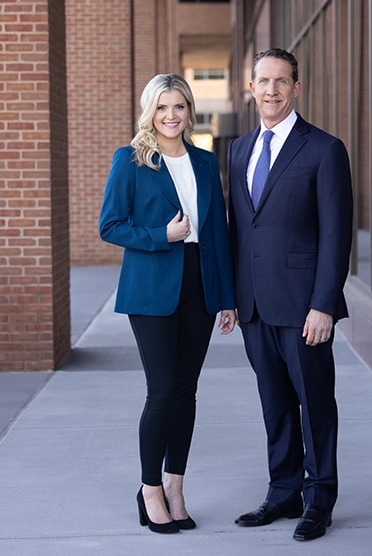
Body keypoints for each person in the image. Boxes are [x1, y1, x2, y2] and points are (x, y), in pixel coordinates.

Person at [99, 73, 236, 535]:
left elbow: (217, 232)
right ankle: (149, 488)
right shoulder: (131, 160)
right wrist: (162, 236)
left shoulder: (204, 161)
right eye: (162, 107)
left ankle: (176, 486)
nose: (171, 116)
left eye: (178, 106)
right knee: (161, 392)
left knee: (186, 391)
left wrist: (226, 297)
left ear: (189, 110)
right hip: (153, 287)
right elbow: (111, 226)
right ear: (149, 111)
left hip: (199, 286)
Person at [228, 48, 353, 542]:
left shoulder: (324, 149)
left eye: (282, 81)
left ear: (296, 88)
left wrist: (325, 302)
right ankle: (283, 492)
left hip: (305, 308)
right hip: (255, 306)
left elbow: (336, 234)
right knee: (274, 403)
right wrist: (232, 297)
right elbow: (242, 230)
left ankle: (319, 498)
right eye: (264, 80)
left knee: (315, 403)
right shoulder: (238, 150)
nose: (272, 90)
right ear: (251, 87)